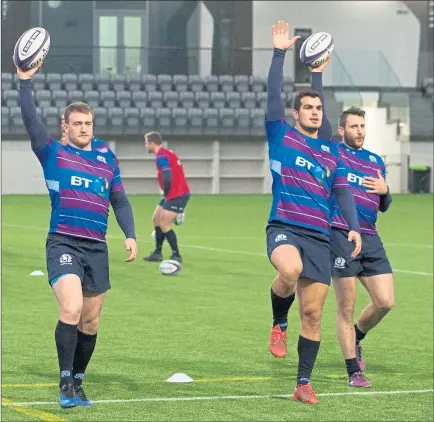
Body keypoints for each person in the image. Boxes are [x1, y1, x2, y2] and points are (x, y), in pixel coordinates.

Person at [17, 60, 138, 408]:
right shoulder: (52, 152)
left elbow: (120, 200)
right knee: (70, 308)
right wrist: (25, 82)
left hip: (97, 248)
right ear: (64, 126)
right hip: (64, 243)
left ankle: (80, 379)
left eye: (88, 123)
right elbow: (30, 121)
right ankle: (65, 381)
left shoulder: (106, 157)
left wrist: (129, 233)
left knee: (91, 320)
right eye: (78, 123)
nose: (84, 128)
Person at [265, 20, 362, 405]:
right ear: (295, 112)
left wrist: (353, 227)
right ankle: (277, 322)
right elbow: (274, 96)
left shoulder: (330, 151)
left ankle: (303, 383)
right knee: (288, 270)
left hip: (320, 236)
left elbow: (342, 190)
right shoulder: (280, 134)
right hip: (285, 226)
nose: (316, 111)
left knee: (314, 315)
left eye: (319, 107)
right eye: (308, 107)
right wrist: (279, 53)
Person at [329, 106, 394, 387]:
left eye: (362, 127)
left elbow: (384, 205)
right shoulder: (333, 154)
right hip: (341, 235)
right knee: (346, 307)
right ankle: (353, 371)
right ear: (342, 130)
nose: (359, 131)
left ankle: (358, 336)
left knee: (385, 302)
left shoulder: (375, 161)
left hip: (371, 237)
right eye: (354, 126)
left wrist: (386, 192)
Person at [142, 131, 190, 264]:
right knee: (156, 219)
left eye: (146, 142)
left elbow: (167, 176)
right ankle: (157, 253)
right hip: (172, 193)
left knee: (164, 223)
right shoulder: (167, 153)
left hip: (176, 194)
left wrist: (167, 194)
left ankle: (176, 255)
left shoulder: (162, 157)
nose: (145, 145)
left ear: (152, 143)